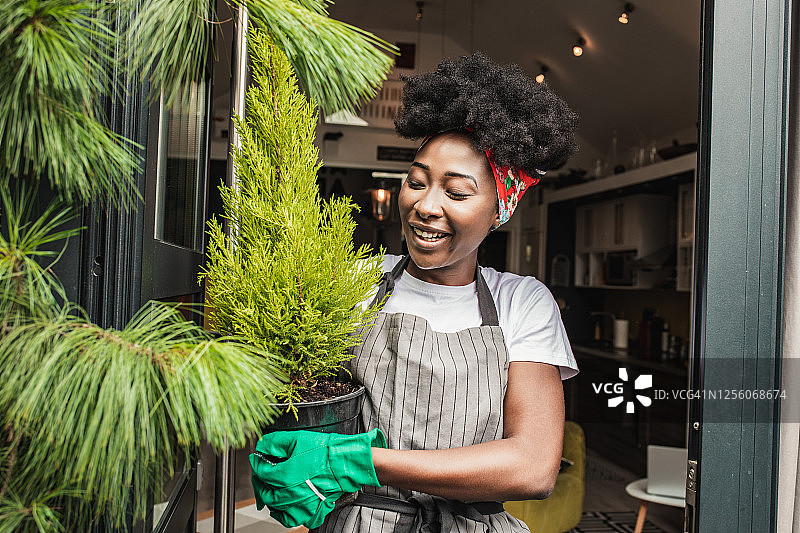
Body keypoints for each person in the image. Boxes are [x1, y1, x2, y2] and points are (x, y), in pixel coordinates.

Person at [250, 52, 580, 533]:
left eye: (457, 192)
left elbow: (532, 465)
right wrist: (290, 456)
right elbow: (302, 396)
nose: (426, 205)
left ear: (499, 210)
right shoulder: (354, 280)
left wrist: (361, 463)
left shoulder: (522, 303)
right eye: (417, 181)